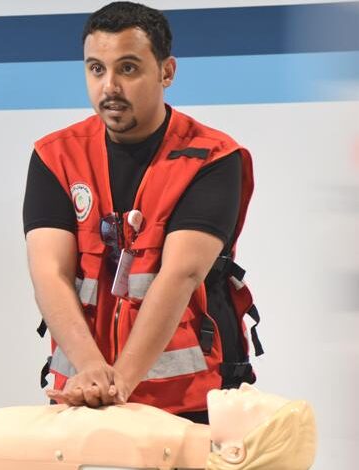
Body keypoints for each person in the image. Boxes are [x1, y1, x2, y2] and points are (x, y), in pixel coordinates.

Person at [23, 1, 262, 422]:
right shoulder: (54, 156)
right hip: (84, 393)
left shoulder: (213, 158)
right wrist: (91, 371)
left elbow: (180, 276)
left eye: (128, 68)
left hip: (193, 402)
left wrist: (119, 384)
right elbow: (50, 274)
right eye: (96, 69)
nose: (109, 86)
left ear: (166, 72)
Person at [0, 384, 316, 470]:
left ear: (237, 452)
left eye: (254, 405)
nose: (247, 389)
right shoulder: (166, 436)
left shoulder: (152, 449)